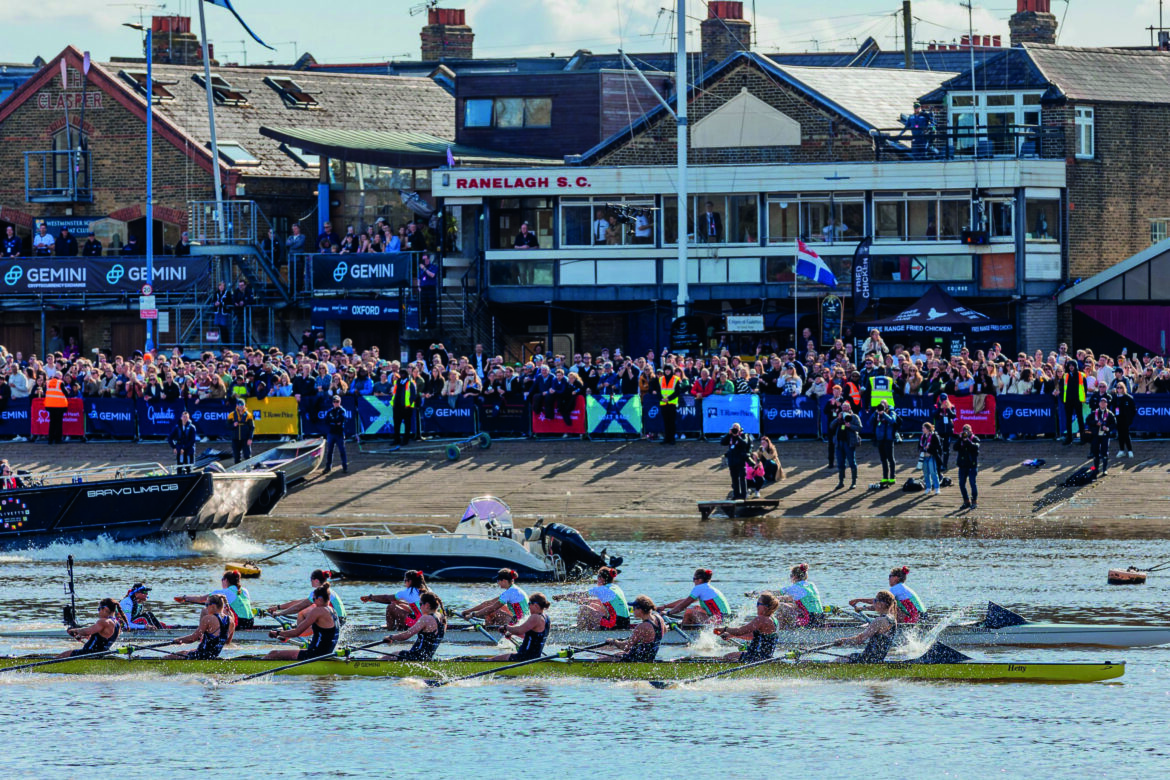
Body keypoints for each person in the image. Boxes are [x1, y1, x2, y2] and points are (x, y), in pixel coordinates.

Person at [265, 586, 339, 661]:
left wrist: (277, 633)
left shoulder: (317, 611)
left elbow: (296, 632)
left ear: (319, 599)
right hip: (326, 653)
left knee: (272, 654)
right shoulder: (333, 611)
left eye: (313, 599)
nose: (313, 602)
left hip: (315, 654)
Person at [553, 566, 629, 630]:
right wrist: (585, 601)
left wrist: (562, 597)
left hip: (614, 624)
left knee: (584, 609)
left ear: (601, 578)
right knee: (594, 605)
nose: (597, 580)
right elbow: (599, 602)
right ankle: (589, 627)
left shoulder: (602, 589)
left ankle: (580, 633)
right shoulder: (615, 587)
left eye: (598, 577)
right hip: (625, 622)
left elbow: (579, 594)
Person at [174, 570, 256, 629]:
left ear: (226, 580)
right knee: (220, 609)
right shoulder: (244, 591)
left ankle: (202, 633)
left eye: (222, 579)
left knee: (205, 610)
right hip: (250, 623)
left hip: (239, 624)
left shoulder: (224, 592)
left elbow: (201, 599)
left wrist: (184, 597)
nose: (221, 582)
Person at [833, 590, 899, 663]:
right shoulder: (893, 620)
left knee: (836, 661)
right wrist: (862, 608)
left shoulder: (878, 621)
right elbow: (875, 607)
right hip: (878, 659)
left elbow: (859, 640)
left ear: (881, 604)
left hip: (866, 660)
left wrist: (842, 641)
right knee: (847, 656)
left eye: (875, 600)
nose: (873, 603)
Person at [268, 569, 347, 628]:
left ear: (316, 580)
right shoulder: (326, 590)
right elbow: (299, 603)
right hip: (341, 620)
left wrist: (279, 613)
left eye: (311, 579)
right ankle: (304, 630)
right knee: (309, 608)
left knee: (302, 612)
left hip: (334, 621)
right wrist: (278, 607)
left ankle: (298, 634)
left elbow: (298, 607)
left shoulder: (318, 593)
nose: (310, 582)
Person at [598, 596, 667, 662]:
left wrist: (614, 641)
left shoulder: (642, 627)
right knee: (618, 654)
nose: (633, 610)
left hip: (638, 659)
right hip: (650, 656)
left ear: (640, 610)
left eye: (634, 608)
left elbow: (626, 647)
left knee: (600, 659)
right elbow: (665, 630)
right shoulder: (659, 618)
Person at [715, 593, 781, 662]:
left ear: (765, 607)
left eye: (758, 604)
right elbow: (752, 636)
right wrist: (731, 635)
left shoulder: (761, 619)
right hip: (765, 657)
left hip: (756, 657)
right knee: (734, 655)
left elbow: (740, 631)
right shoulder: (774, 619)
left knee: (728, 656)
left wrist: (725, 629)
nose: (757, 606)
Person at [165, 594, 233, 660]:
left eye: (207, 605)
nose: (206, 608)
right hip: (214, 655)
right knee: (185, 652)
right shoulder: (231, 620)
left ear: (213, 606)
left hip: (202, 656)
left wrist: (177, 640)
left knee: (168, 657)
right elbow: (227, 642)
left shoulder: (208, 619)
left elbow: (193, 638)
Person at [850, 566, 927, 624]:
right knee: (890, 605)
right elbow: (879, 603)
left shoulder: (896, 588)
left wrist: (858, 600)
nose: (888, 579)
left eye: (890, 576)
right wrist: (863, 608)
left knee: (887, 606)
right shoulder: (902, 587)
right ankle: (882, 625)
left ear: (896, 578)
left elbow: (878, 602)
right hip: (922, 618)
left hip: (916, 619)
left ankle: (881, 627)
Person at [383, 592, 446, 661]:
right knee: (396, 654)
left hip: (416, 657)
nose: (420, 607)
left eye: (420, 604)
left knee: (388, 657)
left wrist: (391, 637)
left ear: (427, 605)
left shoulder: (426, 618)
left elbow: (406, 635)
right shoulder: (442, 617)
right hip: (427, 658)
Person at [489, 592, 551, 662]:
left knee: (493, 659)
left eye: (529, 604)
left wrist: (506, 627)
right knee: (504, 656)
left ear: (535, 605)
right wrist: (512, 634)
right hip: (535, 657)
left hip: (524, 657)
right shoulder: (546, 618)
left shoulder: (535, 617)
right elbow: (534, 637)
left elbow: (519, 630)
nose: (528, 607)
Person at [360, 570, 428, 629]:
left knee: (391, 607)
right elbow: (415, 609)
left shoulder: (408, 592)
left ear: (410, 581)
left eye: (405, 581)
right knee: (398, 605)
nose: (405, 583)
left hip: (417, 624)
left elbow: (386, 598)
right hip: (428, 622)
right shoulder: (428, 591)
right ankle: (399, 627)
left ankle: (389, 630)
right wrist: (399, 603)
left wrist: (370, 597)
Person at [661, 568, 731, 625]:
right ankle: (689, 627)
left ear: (699, 580)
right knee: (696, 608)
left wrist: (668, 613)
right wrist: (665, 607)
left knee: (689, 612)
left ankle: (683, 633)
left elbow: (683, 605)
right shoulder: (708, 588)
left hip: (719, 621)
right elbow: (684, 601)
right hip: (725, 620)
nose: (693, 582)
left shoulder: (699, 588)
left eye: (694, 579)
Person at [461, 568, 529, 627]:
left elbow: (491, 609)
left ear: (504, 581)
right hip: (522, 619)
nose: (497, 583)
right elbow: (488, 603)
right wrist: (468, 611)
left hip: (520, 623)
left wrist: (472, 615)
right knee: (490, 606)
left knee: (491, 611)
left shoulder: (509, 592)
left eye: (498, 580)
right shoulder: (513, 590)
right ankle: (490, 628)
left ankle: (489, 631)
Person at [775, 563, 824, 628]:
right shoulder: (811, 585)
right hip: (820, 618)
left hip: (809, 621)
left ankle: (781, 631)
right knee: (791, 604)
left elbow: (775, 593)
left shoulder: (795, 587)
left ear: (794, 576)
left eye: (790, 575)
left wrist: (761, 594)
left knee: (780, 606)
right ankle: (787, 628)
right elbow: (789, 598)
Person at [830, 400, 862, 489]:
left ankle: (854, 482)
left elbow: (860, 428)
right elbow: (831, 426)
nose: (844, 408)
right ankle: (841, 482)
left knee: (852, 462)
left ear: (849, 408)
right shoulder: (839, 417)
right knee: (840, 463)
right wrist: (837, 419)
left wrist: (850, 426)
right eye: (843, 407)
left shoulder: (854, 417)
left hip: (849, 443)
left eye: (846, 407)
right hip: (839, 443)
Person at [720, 423, 751, 500]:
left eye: (736, 428)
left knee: (742, 478)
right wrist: (728, 434)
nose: (735, 429)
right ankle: (736, 494)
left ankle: (744, 495)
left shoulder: (744, 435)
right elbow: (722, 442)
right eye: (733, 428)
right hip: (732, 460)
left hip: (740, 460)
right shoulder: (730, 436)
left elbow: (745, 443)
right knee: (734, 478)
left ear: (740, 429)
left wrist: (737, 436)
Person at [655, 363, 684, 444]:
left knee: (672, 422)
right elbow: (658, 391)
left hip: (672, 403)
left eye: (669, 370)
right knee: (665, 422)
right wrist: (661, 398)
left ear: (671, 371)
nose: (667, 371)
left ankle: (672, 439)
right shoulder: (660, 379)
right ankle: (667, 438)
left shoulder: (676, 379)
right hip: (663, 403)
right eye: (666, 370)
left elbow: (677, 392)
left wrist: (668, 398)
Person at [873, 400, 899, 487]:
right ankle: (885, 477)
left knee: (891, 458)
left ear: (886, 406)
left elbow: (892, 421)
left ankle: (892, 477)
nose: (882, 406)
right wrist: (876, 413)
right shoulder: (877, 414)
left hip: (888, 438)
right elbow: (869, 422)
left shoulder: (891, 412)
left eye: (883, 405)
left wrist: (883, 413)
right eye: (881, 404)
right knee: (883, 459)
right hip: (880, 438)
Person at [1060, 358, 1086, 444]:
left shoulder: (1081, 375)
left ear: (1076, 366)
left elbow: (1084, 388)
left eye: (1073, 365)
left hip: (1077, 400)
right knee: (1068, 419)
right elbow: (1062, 388)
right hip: (1068, 400)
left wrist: (1082, 398)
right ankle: (1069, 438)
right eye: (1070, 365)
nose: (1071, 367)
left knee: (1080, 419)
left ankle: (1083, 437)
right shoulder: (1065, 376)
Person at [954, 423, 980, 509]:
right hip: (963, 465)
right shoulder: (961, 440)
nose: (966, 433)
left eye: (967, 431)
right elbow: (955, 448)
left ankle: (974, 501)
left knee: (972, 483)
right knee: (961, 484)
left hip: (972, 465)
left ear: (971, 431)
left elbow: (975, 448)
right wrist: (960, 439)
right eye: (964, 432)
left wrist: (967, 440)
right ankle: (966, 501)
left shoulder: (975, 439)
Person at [1088, 396, 1116, 476]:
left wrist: (1107, 428)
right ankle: (1095, 469)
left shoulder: (1110, 414)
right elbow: (1088, 420)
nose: (1103, 404)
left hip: (1105, 435)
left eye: (1104, 402)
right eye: (1101, 402)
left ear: (1107, 404)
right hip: (1096, 435)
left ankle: (1104, 469)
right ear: (1099, 403)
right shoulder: (1094, 412)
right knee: (1095, 452)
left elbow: (1114, 424)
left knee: (1104, 452)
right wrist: (1095, 423)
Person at [392, 367, 417, 446]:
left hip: (407, 407)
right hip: (397, 406)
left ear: (406, 374)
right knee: (396, 424)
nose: (402, 375)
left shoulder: (411, 383)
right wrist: (394, 404)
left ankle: (406, 439)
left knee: (407, 424)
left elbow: (413, 395)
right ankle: (397, 439)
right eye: (401, 373)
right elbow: (394, 393)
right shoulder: (397, 382)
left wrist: (409, 404)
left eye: (403, 373)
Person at [323, 394, 348, 474]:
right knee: (329, 451)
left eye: (337, 401)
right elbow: (326, 421)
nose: (336, 403)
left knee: (342, 450)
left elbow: (341, 420)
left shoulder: (342, 411)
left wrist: (333, 421)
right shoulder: (329, 411)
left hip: (339, 433)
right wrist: (335, 422)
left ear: (340, 402)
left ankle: (344, 467)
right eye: (334, 401)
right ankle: (328, 467)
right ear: (332, 402)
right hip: (331, 433)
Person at [43, 373, 69, 445]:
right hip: (59, 406)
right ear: (60, 377)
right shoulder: (60, 383)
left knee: (52, 423)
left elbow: (45, 392)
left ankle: (50, 439)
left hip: (50, 405)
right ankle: (58, 439)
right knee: (58, 423)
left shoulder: (47, 383)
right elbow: (66, 393)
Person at [918, 422, 943, 496]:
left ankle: (937, 488)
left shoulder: (934, 435)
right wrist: (921, 449)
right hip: (924, 457)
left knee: (933, 472)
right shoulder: (922, 436)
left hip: (931, 456)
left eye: (924, 428)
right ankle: (928, 487)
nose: (922, 429)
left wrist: (930, 447)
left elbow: (938, 445)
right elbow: (919, 445)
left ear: (928, 429)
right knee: (926, 473)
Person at [1112, 383, 1135, 458]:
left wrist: (1129, 419)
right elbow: (1113, 408)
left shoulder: (1128, 398)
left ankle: (1130, 450)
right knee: (1120, 435)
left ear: (1123, 388)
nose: (1119, 389)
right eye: (1117, 388)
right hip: (1118, 419)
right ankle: (1121, 450)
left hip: (1125, 419)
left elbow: (1133, 410)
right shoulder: (1115, 398)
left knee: (1126, 434)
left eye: (1120, 387)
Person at [228, 398, 254, 464]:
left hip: (245, 438)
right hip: (235, 439)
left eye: (242, 405)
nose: (241, 407)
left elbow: (252, 427)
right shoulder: (232, 415)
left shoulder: (249, 415)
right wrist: (233, 425)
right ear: (237, 405)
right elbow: (227, 425)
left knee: (247, 456)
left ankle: (249, 470)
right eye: (239, 405)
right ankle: (237, 471)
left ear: (244, 405)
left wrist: (250, 438)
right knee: (236, 457)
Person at [419, 253, 438, 329]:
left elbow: (432, 275)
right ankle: (427, 322)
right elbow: (419, 278)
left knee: (432, 306)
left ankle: (433, 323)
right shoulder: (421, 269)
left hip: (431, 288)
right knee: (425, 306)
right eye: (423, 259)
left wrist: (425, 269)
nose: (424, 261)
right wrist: (419, 287)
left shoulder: (433, 267)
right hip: (423, 289)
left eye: (425, 259)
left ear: (428, 259)